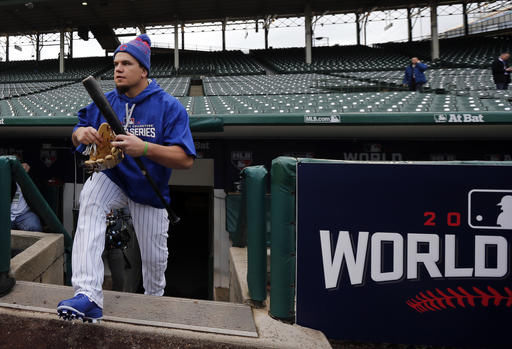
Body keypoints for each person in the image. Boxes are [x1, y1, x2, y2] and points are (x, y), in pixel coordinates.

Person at [57, 34, 196, 322]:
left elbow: (185, 159)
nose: (118, 68)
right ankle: (88, 294)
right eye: (116, 63)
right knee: (90, 200)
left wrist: (143, 148)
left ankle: (154, 301)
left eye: (126, 63)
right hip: (115, 177)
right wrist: (79, 134)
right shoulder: (105, 100)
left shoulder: (168, 106)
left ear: (143, 70)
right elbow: (78, 131)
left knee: (154, 260)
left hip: (149, 188)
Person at [11, 161, 43, 232]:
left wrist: (28, 173)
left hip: (24, 214)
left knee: (35, 228)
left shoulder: (27, 180)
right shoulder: (5, 179)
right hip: (6, 215)